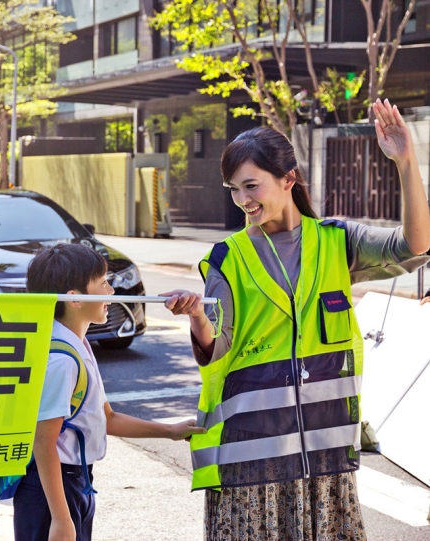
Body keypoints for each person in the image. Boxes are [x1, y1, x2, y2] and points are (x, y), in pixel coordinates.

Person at [163, 99, 430, 540]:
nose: (243, 200)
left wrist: (405, 160)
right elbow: (218, 348)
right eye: (234, 189)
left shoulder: (338, 242)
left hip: (324, 462)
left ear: (288, 180)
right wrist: (196, 317)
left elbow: (417, 243)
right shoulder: (225, 259)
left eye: (251, 186)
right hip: (251, 463)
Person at [18, 243, 205, 541]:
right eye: (103, 283)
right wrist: (61, 518)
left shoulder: (79, 346)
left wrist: (170, 430)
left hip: (75, 481)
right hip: (52, 491)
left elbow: (108, 417)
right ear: (75, 299)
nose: (111, 292)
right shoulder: (61, 361)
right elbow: (44, 443)